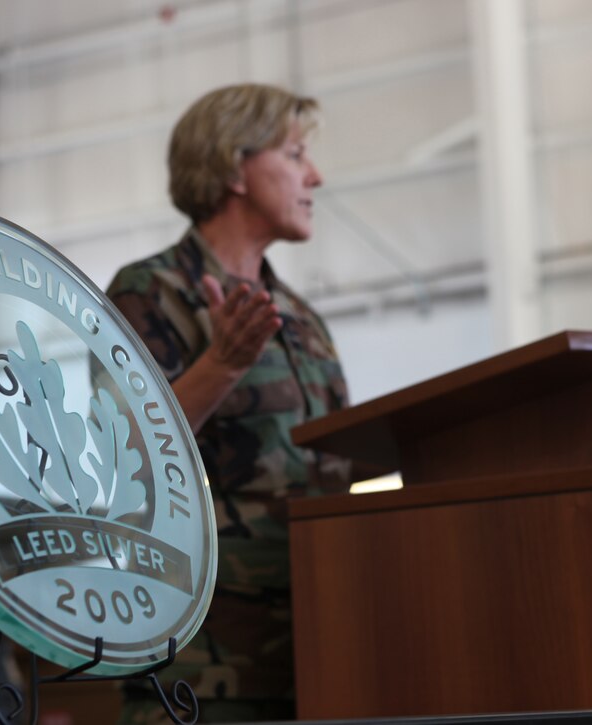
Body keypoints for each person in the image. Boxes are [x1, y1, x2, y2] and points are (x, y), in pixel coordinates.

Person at [107, 83, 352, 722]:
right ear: (235, 165)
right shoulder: (150, 292)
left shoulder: (301, 318)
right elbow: (118, 460)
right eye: (295, 154)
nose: (315, 177)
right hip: (203, 664)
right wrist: (222, 365)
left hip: (325, 648)